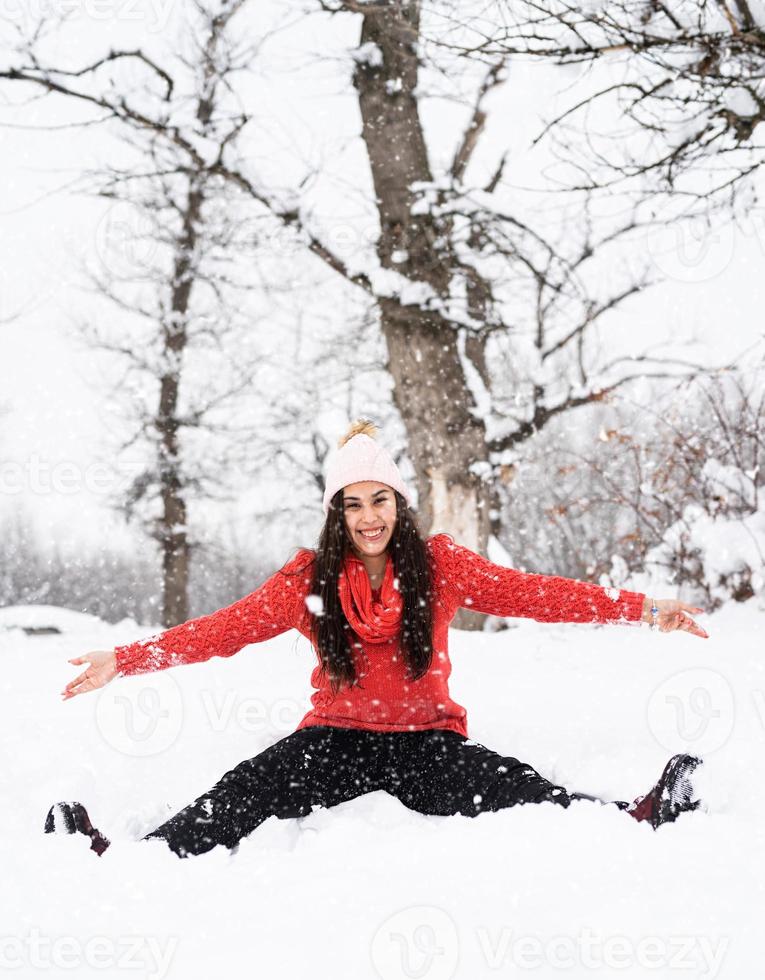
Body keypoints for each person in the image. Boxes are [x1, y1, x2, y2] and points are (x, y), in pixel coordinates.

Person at [46, 420, 710, 859]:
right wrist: (126, 660)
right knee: (243, 790)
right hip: (333, 741)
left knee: (515, 788)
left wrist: (645, 608)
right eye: (353, 504)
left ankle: (635, 815)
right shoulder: (307, 579)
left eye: (380, 500)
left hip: (426, 744)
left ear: (399, 502)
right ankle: (131, 858)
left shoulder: (442, 565)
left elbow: (538, 594)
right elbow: (220, 631)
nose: (369, 517)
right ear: (336, 511)